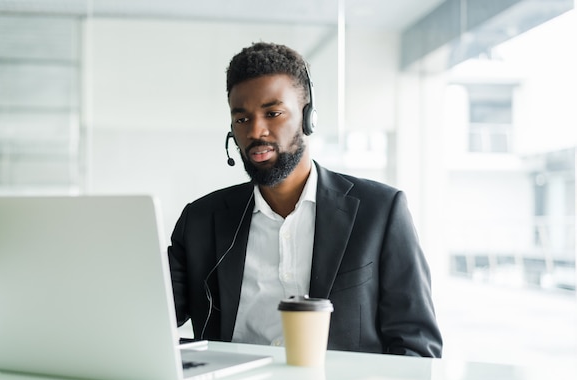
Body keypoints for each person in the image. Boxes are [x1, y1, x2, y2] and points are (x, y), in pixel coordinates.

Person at [168, 42, 442, 357]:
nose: (256, 130)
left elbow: (417, 347)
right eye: (242, 119)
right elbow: (151, 317)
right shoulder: (201, 220)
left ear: (307, 117)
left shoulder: (381, 211)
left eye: (273, 113)